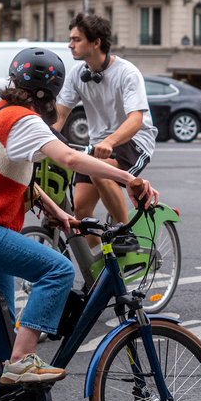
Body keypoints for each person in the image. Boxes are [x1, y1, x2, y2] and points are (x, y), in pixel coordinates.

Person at [0, 46, 159, 401]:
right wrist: (128, 179)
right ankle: (21, 363)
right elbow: (70, 158)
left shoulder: (1, 112)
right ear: (49, 92)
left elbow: (21, 176)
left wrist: (59, 213)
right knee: (58, 270)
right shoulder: (24, 121)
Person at [54, 13, 158, 238]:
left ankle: (126, 235)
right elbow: (60, 115)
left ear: (96, 42)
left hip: (134, 140)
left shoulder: (126, 72)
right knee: (80, 208)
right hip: (98, 145)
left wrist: (109, 142)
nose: (70, 44)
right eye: (71, 39)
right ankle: (99, 259)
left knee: (100, 173)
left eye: (76, 39)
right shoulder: (77, 74)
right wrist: (44, 141)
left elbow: (136, 120)